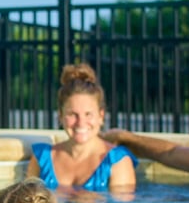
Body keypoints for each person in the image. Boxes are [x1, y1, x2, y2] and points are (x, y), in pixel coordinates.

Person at [26, 63, 137, 191]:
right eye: (72, 114)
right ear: (60, 116)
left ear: (101, 116)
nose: (81, 122)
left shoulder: (118, 161)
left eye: (88, 114)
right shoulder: (41, 158)